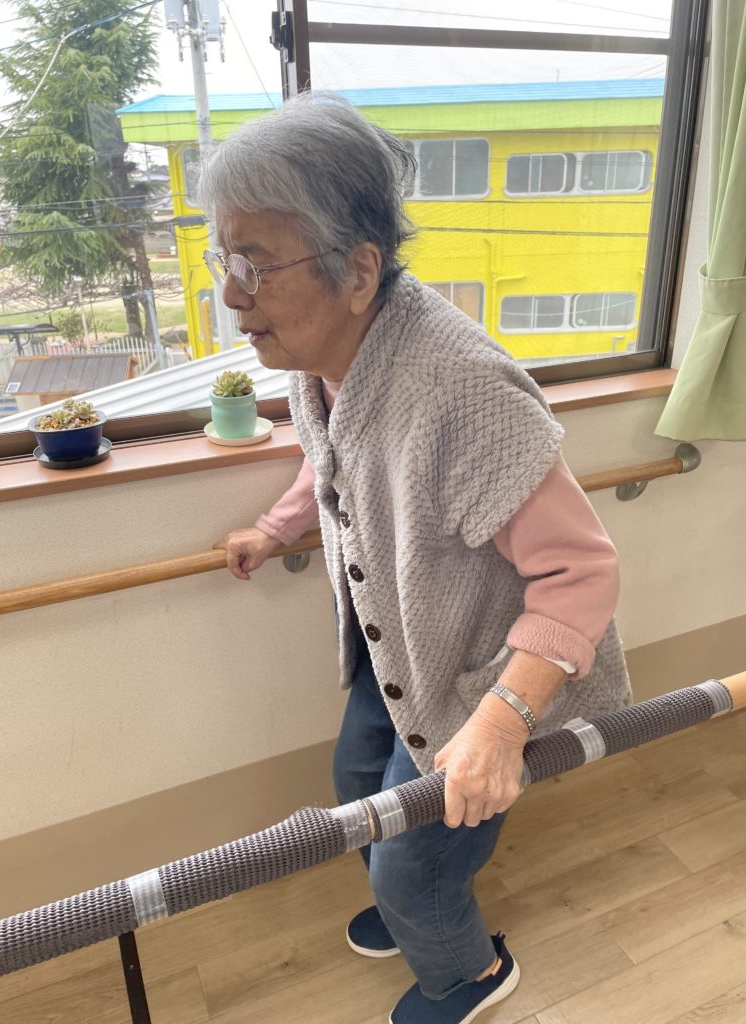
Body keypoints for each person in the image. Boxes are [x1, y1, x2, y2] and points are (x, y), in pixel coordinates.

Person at [200, 93, 631, 1024]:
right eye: (222, 258)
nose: (232, 293)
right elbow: (339, 456)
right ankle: (411, 903)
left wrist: (504, 724)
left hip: (479, 677)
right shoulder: (330, 355)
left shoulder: (462, 388)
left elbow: (584, 573)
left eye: (255, 265)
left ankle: (465, 970)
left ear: (359, 270)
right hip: (395, 649)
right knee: (357, 787)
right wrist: (278, 526)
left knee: (412, 859)